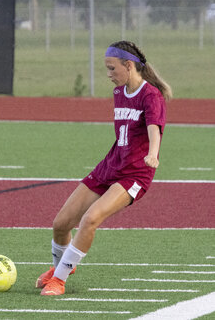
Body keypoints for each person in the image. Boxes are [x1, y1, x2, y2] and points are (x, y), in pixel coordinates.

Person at [36, 40, 173, 296]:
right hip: (110, 165)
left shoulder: (150, 95)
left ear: (129, 66)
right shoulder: (119, 92)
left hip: (134, 174)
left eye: (112, 69)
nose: (108, 74)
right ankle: (60, 269)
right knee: (61, 223)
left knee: (90, 220)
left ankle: (60, 280)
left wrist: (153, 154)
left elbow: (155, 130)